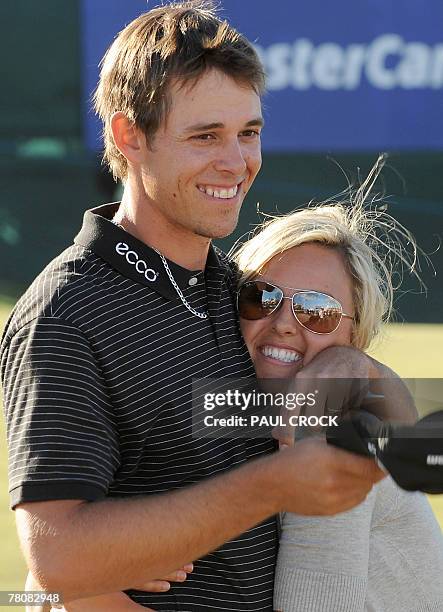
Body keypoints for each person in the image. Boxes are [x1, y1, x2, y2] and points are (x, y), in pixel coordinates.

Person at [1, 3, 411, 611]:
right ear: (128, 136)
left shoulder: (241, 291)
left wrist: (353, 373)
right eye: (205, 136)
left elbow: (402, 436)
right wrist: (269, 485)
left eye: (249, 132)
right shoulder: (65, 312)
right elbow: (57, 559)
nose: (236, 162)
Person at [234, 194, 443, 611]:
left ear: (354, 338)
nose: (283, 325)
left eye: (318, 311)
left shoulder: (336, 442)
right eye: (262, 297)